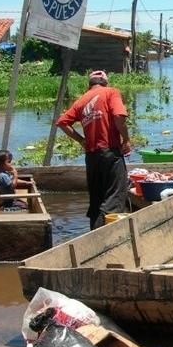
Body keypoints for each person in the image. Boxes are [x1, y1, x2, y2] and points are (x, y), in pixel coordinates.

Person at [57, 70, 131, 229]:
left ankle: (94, 234)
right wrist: (126, 139)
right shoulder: (111, 92)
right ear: (105, 82)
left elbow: (63, 123)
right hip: (110, 152)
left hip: (91, 156)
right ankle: (107, 237)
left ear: (89, 84)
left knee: (96, 199)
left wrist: (81, 140)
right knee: (115, 196)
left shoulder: (81, 100)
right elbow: (119, 117)